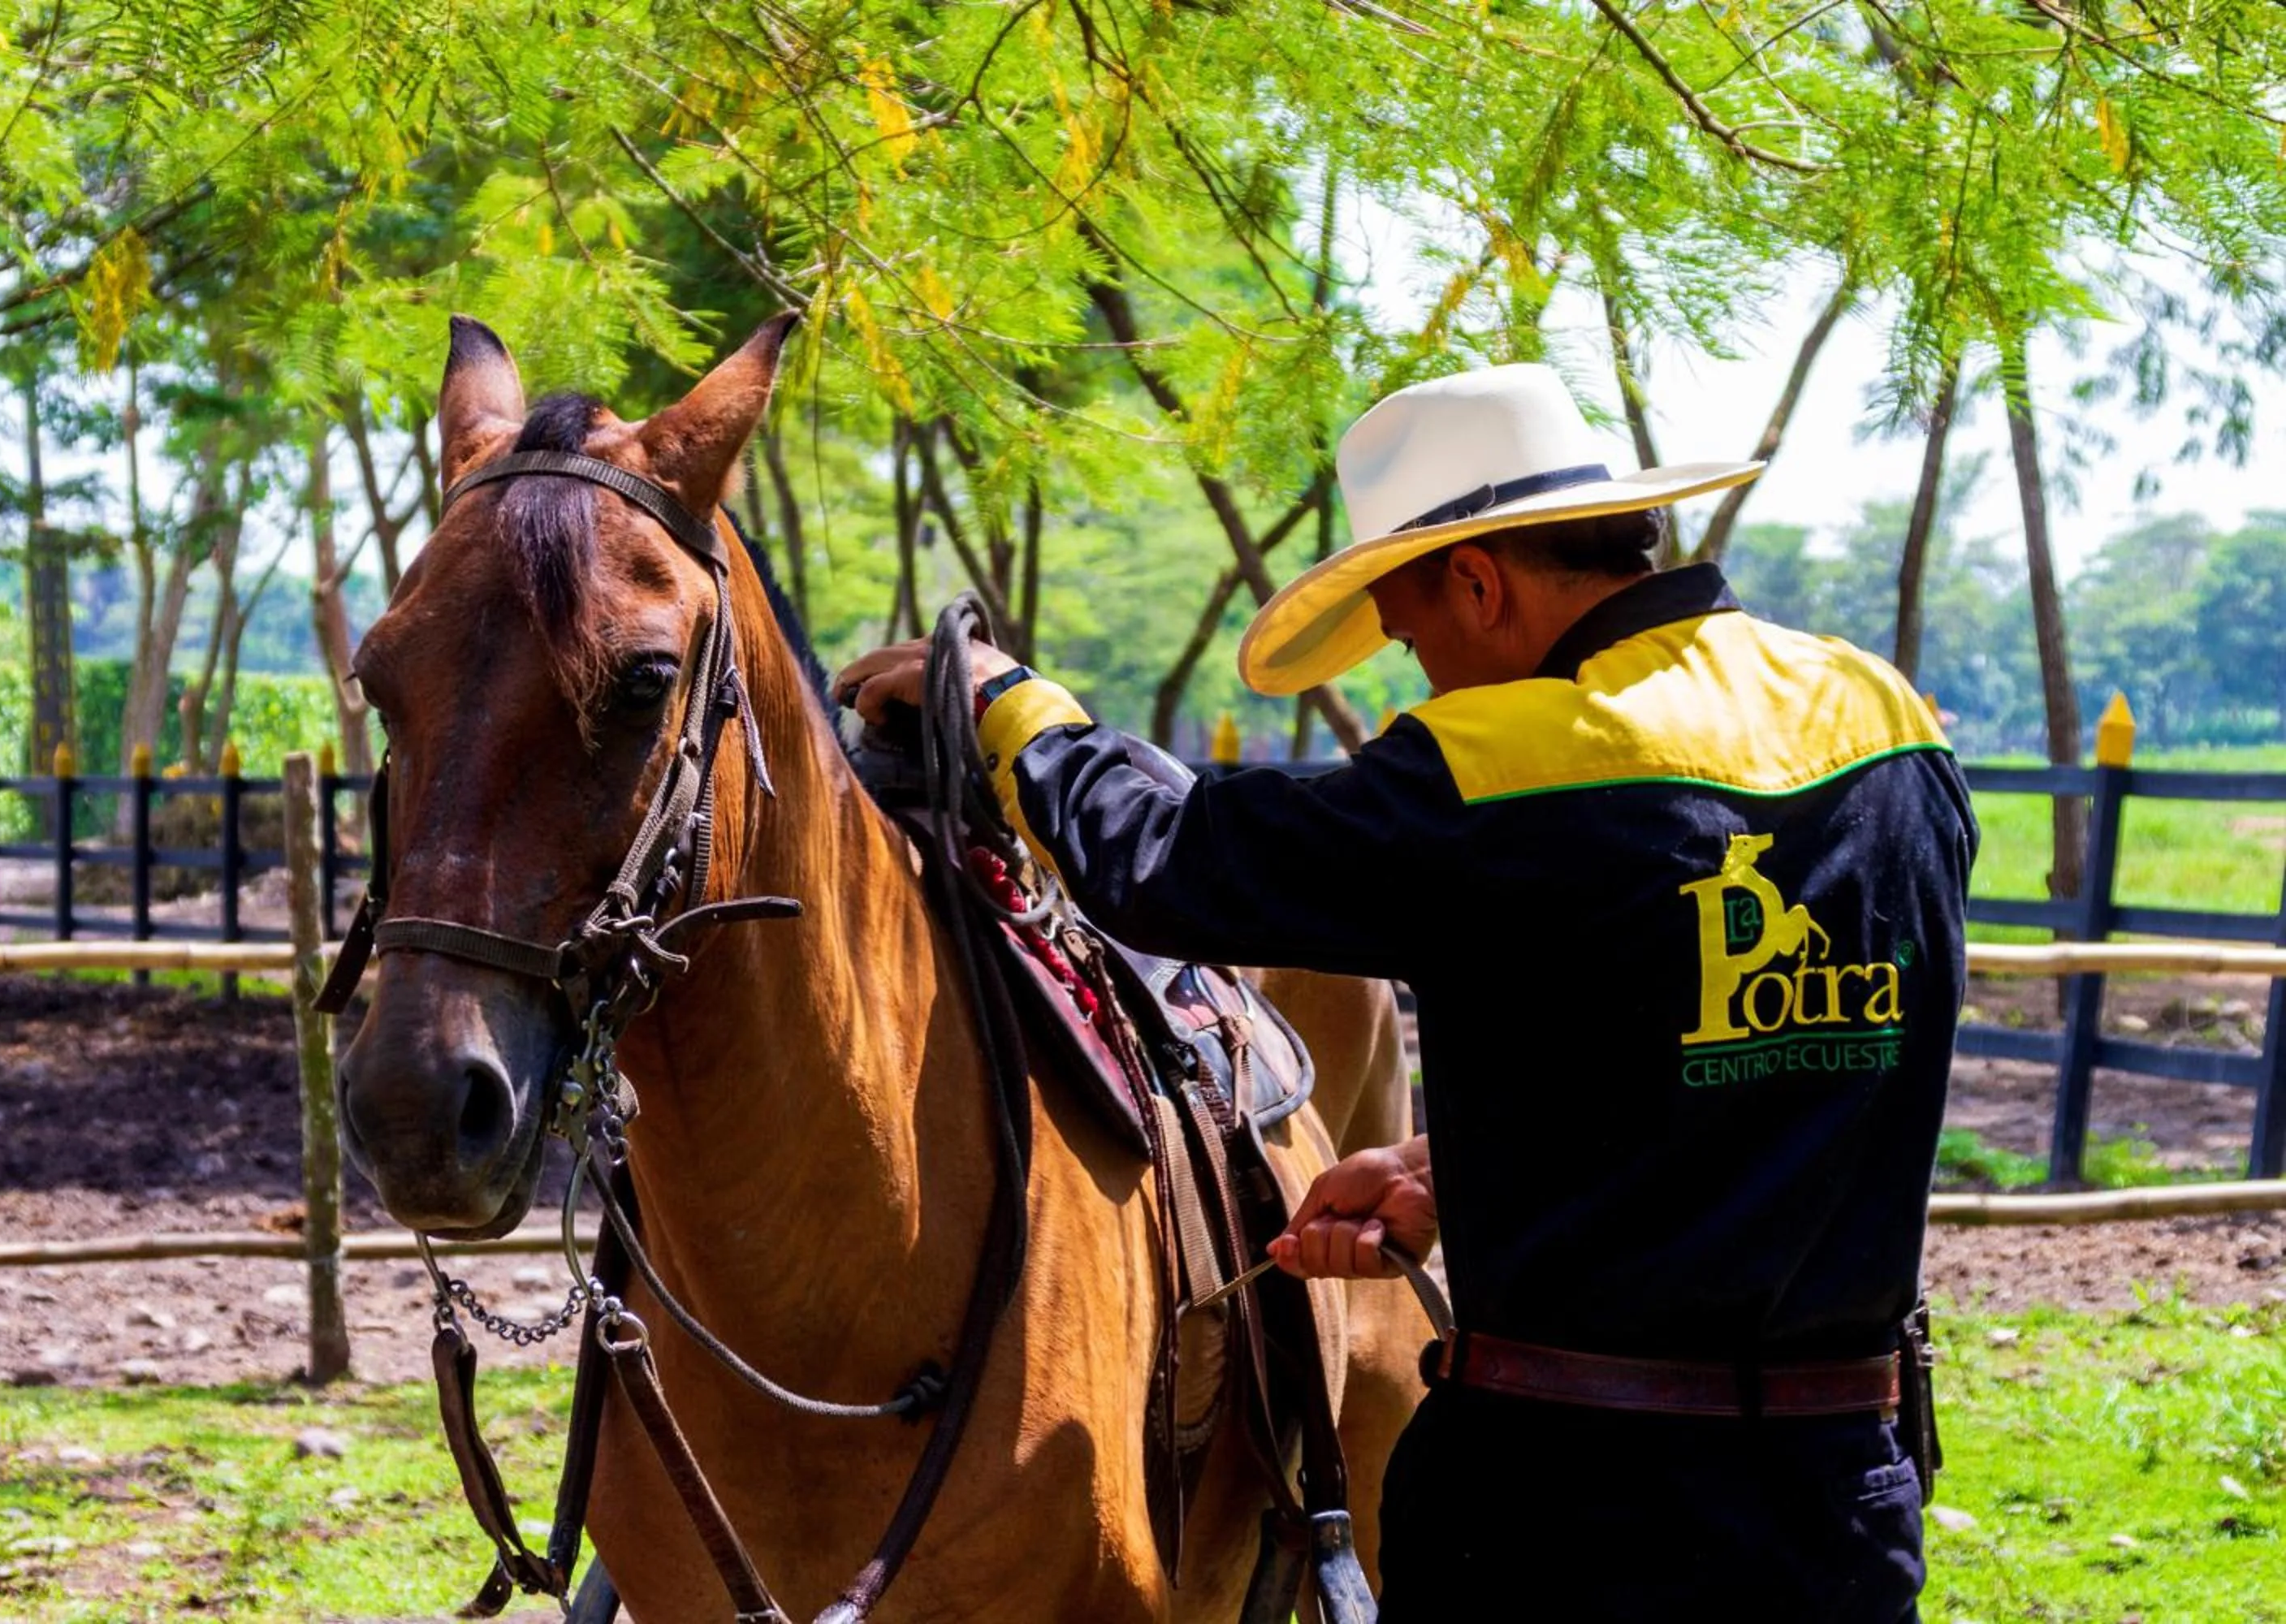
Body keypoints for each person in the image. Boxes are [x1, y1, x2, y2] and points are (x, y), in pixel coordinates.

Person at [837, 364, 1973, 1622]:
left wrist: (1012, 708)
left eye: (1413, 632)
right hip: (1842, 1501)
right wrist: (1477, 1172)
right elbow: (1766, 1048)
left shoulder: (1508, 765)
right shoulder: (1887, 721)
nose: (1421, 674)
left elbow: (1177, 865)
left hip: (1573, 1514)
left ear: (1479, 581)